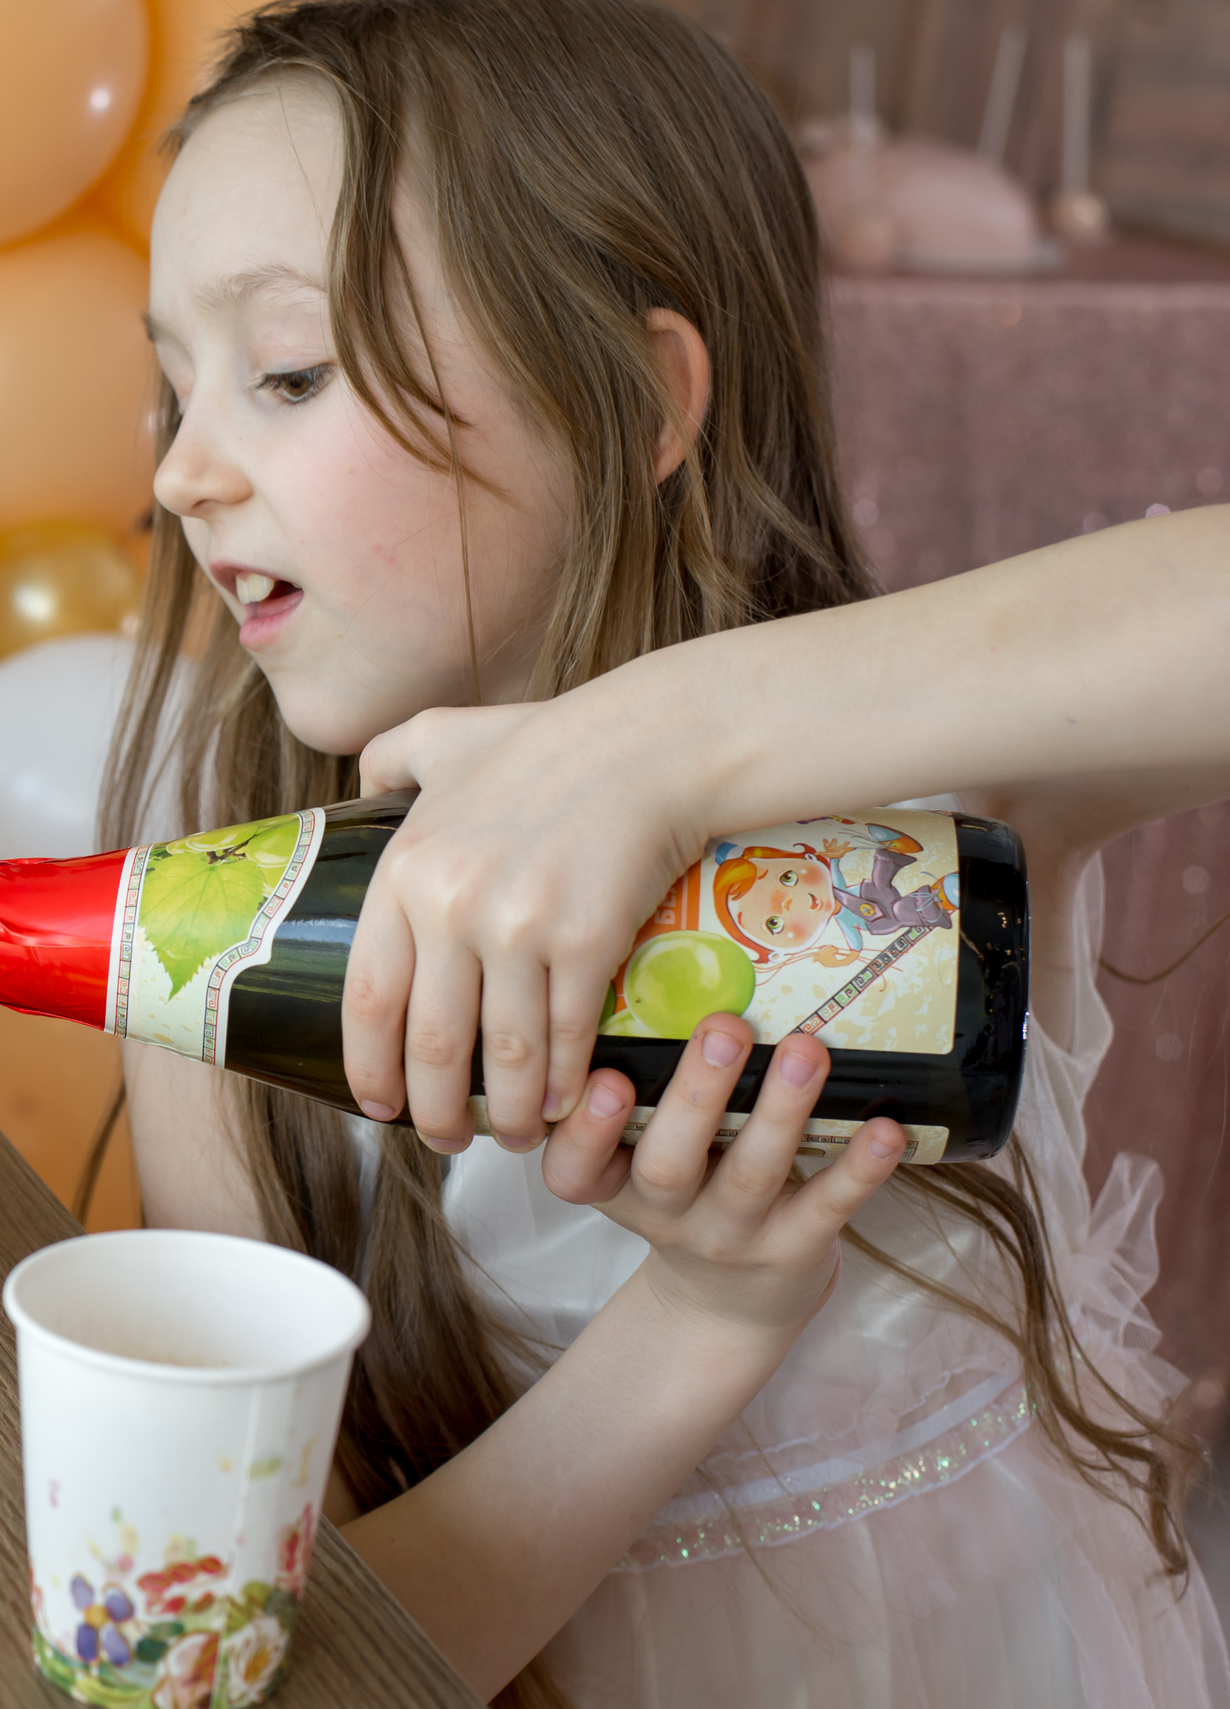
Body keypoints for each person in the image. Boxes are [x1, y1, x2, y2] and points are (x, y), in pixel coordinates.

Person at [105, 3, 1230, 1705]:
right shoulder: (216, 970)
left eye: (285, 373)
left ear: (637, 398)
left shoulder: (922, 833)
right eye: (173, 387)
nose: (183, 471)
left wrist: (666, 740)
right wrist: (706, 1316)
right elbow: (277, 1660)